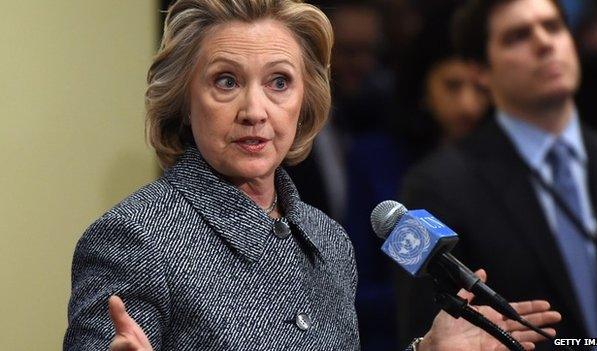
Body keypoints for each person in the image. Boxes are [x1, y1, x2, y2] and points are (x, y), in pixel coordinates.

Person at [64, 1, 560, 350]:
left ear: (305, 104)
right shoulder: (133, 238)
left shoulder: (329, 240)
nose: (255, 110)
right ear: (184, 102)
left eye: (279, 82)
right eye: (225, 81)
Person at [397, 0, 597, 349]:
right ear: (479, 71)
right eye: (518, 36)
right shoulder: (431, 185)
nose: (545, 43)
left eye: (553, 27)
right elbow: (421, 336)